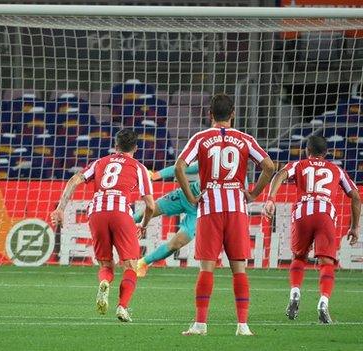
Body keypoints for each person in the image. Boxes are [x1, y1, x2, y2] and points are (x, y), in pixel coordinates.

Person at [176, 93, 275, 336]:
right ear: (233, 114)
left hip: (210, 206)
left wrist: (190, 196)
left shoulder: (200, 138)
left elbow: (179, 166)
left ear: (210, 114)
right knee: (239, 269)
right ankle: (243, 325)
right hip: (237, 208)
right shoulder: (245, 139)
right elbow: (270, 166)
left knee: (206, 268)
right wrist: (253, 194)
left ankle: (200, 324)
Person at [50, 129, 156, 322]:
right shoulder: (139, 167)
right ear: (136, 148)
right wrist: (143, 224)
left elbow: (74, 180)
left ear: (115, 147)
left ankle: (105, 282)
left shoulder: (100, 162)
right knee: (130, 265)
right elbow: (150, 205)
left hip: (97, 211)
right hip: (121, 212)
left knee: (106, 263)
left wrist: (60, 208)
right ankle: (122, 307)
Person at [263, 135, 360, 324]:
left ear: (307, 151)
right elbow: (355, 196)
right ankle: (323, 301)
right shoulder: (336, 169)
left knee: (299, 257)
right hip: (325, 214)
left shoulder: (298, 164)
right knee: (326, 262)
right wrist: (354, 227)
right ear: (326, 153)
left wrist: (271, 198)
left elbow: (280, 174)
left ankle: (295, 293)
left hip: (302, 213)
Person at [134, 162, 200, 276]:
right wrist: (155, 176)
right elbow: (179, 168)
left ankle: (143, 263)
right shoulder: (211, 159)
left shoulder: (237, 174)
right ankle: (112, 230)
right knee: (145, 212)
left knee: (177, 243)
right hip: (184, 195)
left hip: (200, 210)